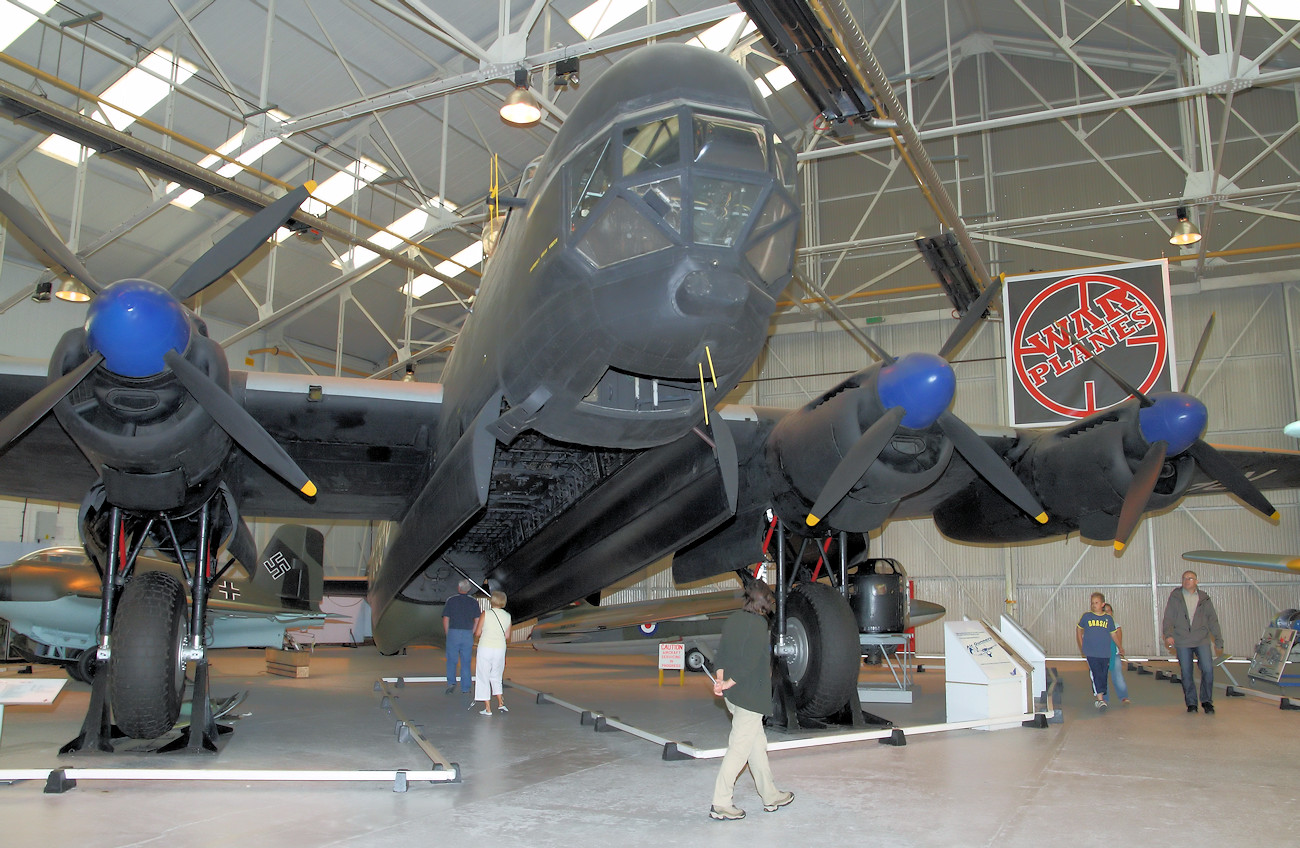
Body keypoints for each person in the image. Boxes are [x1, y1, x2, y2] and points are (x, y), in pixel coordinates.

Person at [708, 580, 794, 821]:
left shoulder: (734, 618)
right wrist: (729, 682)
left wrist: (721, 680)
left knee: (757, 747)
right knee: (739, 749)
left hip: (734, 698)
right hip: (750, 697)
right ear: (764, 604)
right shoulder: (759, 625)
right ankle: (721, 803)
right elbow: (750, 662)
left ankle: (770, 795)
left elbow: (721, 653)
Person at [1162, 570, 1223, 714]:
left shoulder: (1204, 598)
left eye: (1190, 578)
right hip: (1182, 640)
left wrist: (1218, 639)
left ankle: (1207, 701)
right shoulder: (1175, 597)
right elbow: (1168, 617)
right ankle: (1191, 703)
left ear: (1196, 581)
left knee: (1208, 669)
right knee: (1186, 672)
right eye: (1184, 578)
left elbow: (1212, 620)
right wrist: (1168, 634)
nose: (1187, 581)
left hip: (1201, 639)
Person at [1077, 592, 1120, 709]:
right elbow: (1079, 629)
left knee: (1103, 674)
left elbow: (1114, 635)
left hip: (1105, 653)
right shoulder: (1086, 617)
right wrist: (1082, 645)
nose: (1094, 605)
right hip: (1091, 652)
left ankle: (1101, 695)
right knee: (1096, 673)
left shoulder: (1108, 619)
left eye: (1096, 603)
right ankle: (1100, 699)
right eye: (1092, 603)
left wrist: (1120, 646)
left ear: (1102, 604)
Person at [473, 591, 512, 716]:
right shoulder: (507, 616)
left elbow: (478, 633)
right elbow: (507, 636)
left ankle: (488, 708)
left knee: (483, 676)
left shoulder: (486, 614)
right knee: (496, 675)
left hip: (485, 647)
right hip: (500, 648)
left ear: (492, 600)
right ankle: (501, 703)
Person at [442, 580, 481, 695]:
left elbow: (446, 618)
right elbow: (477, 620)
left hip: (453, 632)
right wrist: (472, 632)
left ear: (459, 588)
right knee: (466, 661)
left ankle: (451, 683)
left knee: (451, 660)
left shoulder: (451, 600)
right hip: (467, 634)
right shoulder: (473, 602)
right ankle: (466, 688)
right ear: (468, 589)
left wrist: (447, 633)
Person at [1101, 603, 1129, 704]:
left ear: (1112, 612)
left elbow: (1118, 640)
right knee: (1103, 677)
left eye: (1109, 610)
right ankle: (1104, 698)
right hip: (1102, 655)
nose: (1107, 612)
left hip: (1114, 655)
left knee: (1118, 677)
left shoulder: (1117, 626)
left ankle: (1123, 696)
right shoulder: (1099, 626)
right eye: (1105, 611)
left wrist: (1120, 648)